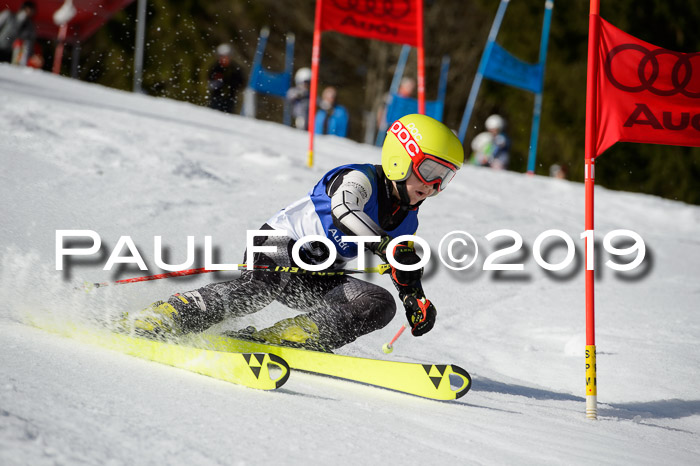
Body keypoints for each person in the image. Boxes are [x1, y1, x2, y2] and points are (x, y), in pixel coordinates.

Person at [121, 114, 465, 352]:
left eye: (444, 179)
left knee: (377, 304)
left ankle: (289, 336)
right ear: (400, 158)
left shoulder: (408, 219)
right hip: (277, 248)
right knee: (256, 291)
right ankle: (169, 315)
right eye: (429, 171)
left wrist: (414, 298)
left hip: (316, 275)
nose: (433, 186)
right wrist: (386, 246)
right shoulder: (359, 179)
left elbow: (402, 265)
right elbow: (345, 211)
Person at [207, 43, 245, 114]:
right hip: (216, 98)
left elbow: (241, 83)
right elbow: (211, 83)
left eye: (226, 57)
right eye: (222, 57)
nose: (224, 59)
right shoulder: (215, 68)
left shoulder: (235, 69)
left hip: (230, 99)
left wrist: (231, 84)